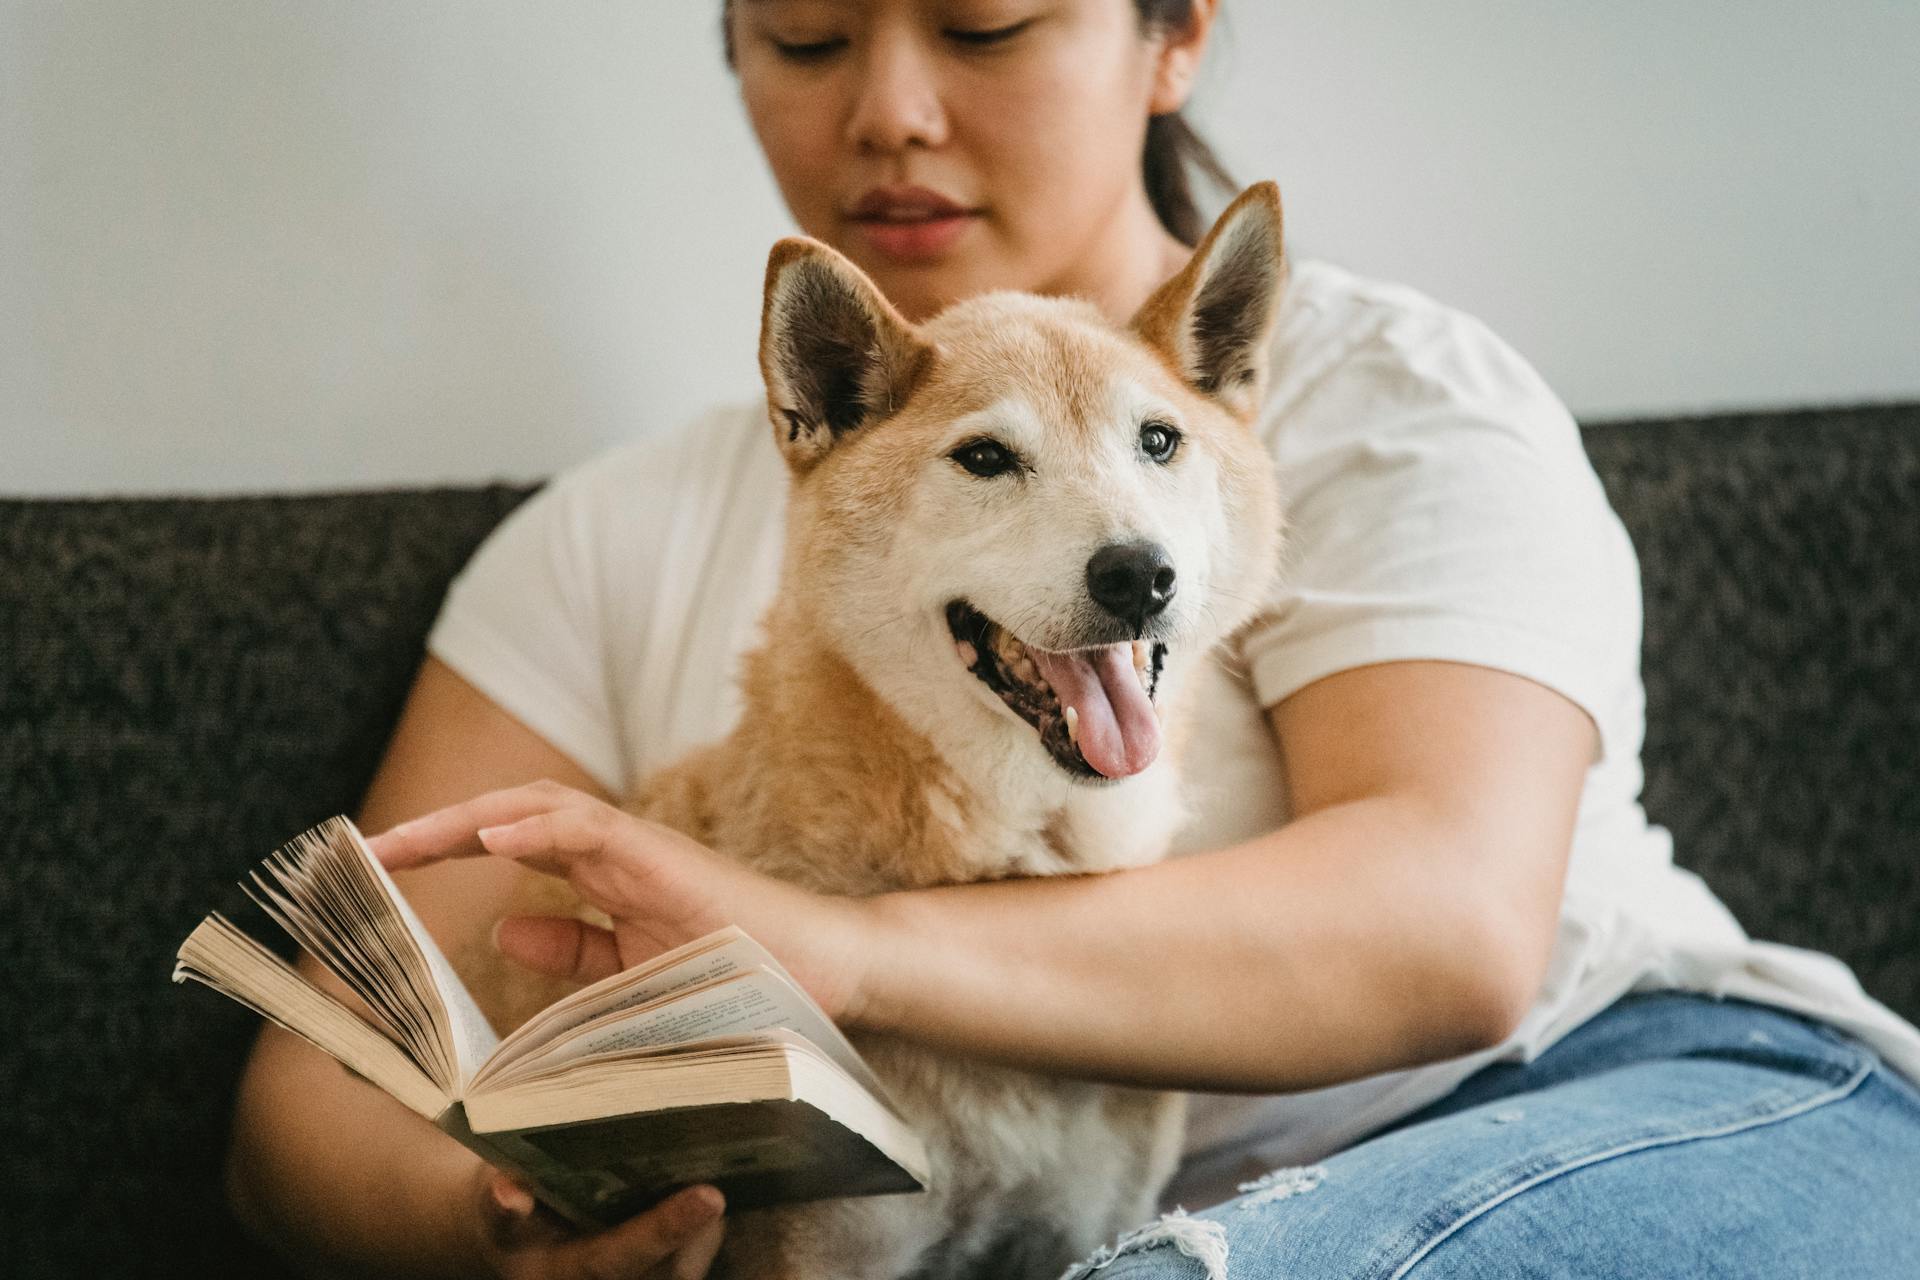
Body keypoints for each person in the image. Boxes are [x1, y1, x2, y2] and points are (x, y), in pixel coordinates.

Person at [225, 2, 1920, 1277]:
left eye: (984, 21)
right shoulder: (603, 539)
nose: (888, 110)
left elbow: (1449, 926)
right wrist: (510, 1226)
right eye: (804, 35)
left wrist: (840, 950)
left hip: (1632, 1091)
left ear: (1172, 32)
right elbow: (324, 1072)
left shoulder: (1384, 400)